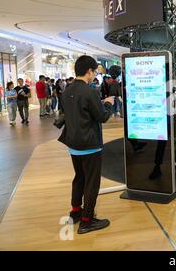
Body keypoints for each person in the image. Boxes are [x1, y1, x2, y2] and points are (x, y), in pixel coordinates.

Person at [58, 55, 115, 235]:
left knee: (79, 178)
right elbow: (102, 117)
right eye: (94, 71)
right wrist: (107, 103)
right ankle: (87, 220)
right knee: (92, 182)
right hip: (89, 143)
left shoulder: (67, 90)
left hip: (73, 143)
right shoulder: (89, 91)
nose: (94, 75)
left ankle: (76, 212)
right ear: (89, 71)